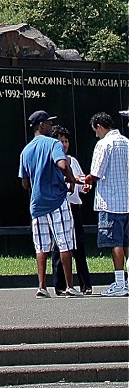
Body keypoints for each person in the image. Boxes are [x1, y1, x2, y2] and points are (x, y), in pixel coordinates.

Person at [18, 109, 82, 298]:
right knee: (64, 243)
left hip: (37, 204)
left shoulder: (26, 150)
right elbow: (62, 164)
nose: (51, 126)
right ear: (42, 125)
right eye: (49, 123)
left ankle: (42, 287)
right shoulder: (54, 144)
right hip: (57, 200)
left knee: (41, 247)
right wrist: (70, 179)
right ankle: (69, 286)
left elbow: (24, 183)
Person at [82, 112, 129, 296]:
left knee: (115, 243)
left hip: (110, 202)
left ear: (100, 126)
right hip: (127, 201)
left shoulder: (104, 144)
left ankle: (119, 283)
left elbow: (96, 173)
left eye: (96, 131)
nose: (96, 135)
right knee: (127, 244)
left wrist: (85, 180)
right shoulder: (126, 142)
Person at [50, 126, 93, 295]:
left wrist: (85, 186)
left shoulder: (72, 161)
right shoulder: (53, 162)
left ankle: (85, 285)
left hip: (74, 206)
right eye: (61, 141)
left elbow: (80, 181)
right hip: (60, 206)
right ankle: (60, 285)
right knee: (59, 247)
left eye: (66, 141)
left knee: (79, 245)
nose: (64, 144)